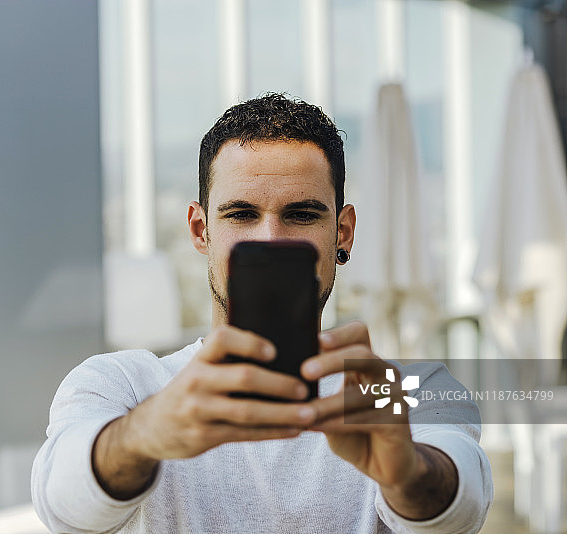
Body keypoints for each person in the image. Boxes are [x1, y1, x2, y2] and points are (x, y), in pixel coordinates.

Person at [31, 93, 493, 533]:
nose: (271, 239)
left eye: (302, 214)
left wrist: (407, 473)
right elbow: (60, 502)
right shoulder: (126, 385)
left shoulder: (406, 390)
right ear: (200, 229)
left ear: (343, 233)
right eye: (241, 214)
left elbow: (461, 506)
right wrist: (143, 435)